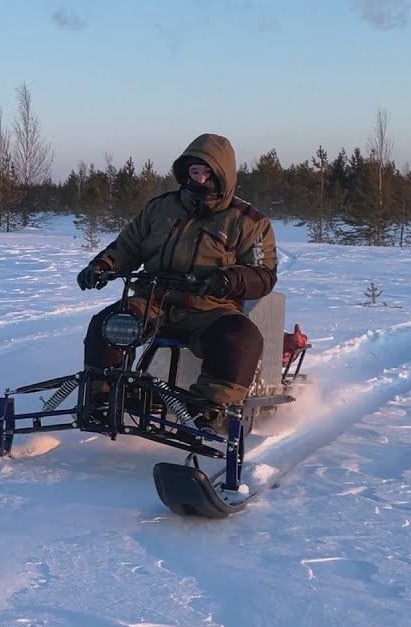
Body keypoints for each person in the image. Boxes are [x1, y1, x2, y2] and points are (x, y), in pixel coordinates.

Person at [75, 133, 278, 433]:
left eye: (208, 173)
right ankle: (102, 396)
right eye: (194, 172)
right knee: (107, 324)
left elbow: (263, 273)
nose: (200, 179)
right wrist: (102, 266)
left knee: (242, 338)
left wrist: (227, 279)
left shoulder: (248, 221)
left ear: (223, 175)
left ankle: (207, 410)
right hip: (153, 301)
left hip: (210, 308)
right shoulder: (160, 209)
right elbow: (128, 246)